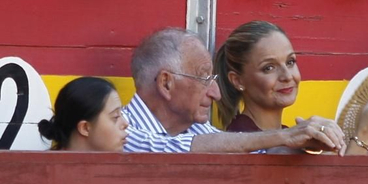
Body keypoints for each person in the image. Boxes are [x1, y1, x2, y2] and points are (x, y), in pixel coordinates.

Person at [121, 27, 349, 152]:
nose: (216, 93)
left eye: (291, 62)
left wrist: (309, 140)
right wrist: (285, 136)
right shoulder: (117, 127)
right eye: (204, 78)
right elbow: (172, 149)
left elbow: (252, 151)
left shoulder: (196, 129)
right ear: (166, 84)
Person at [212, 20, 368, 153]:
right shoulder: (242, 137)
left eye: (290, 62)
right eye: (269, 68)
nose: (287, 76)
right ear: (238, 81)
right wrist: (364, 137)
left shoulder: (289, 134)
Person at [39, 76, 130, 151]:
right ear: (85, 128)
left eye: (121, 114)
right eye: (116, 117)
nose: (126, 123)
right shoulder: (45, 167)